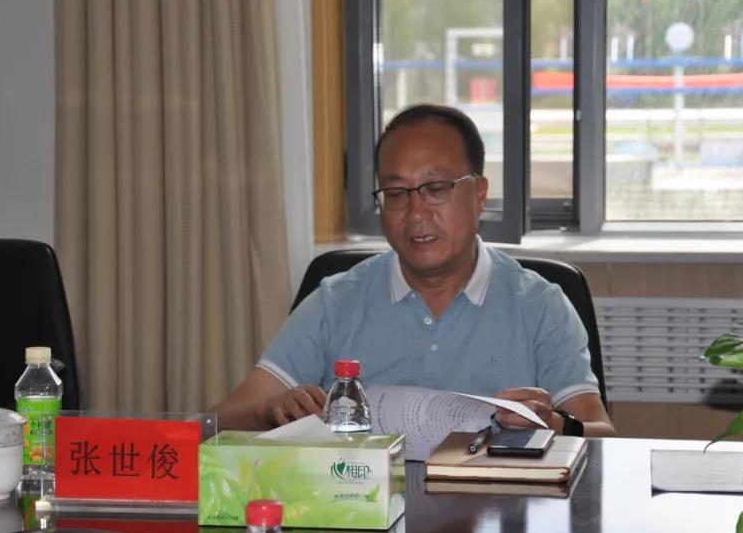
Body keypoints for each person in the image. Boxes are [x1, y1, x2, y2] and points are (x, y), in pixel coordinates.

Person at [213, 103, 614, 438]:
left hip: (499, 506)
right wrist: (270, 411)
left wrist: (556, 424)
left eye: (436, 189)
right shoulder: (335, 302)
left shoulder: (540, 306)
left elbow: (604, 435)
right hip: (361, 504)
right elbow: (218, 421)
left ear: (480, 194)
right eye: (396, 193)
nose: (416, 213)